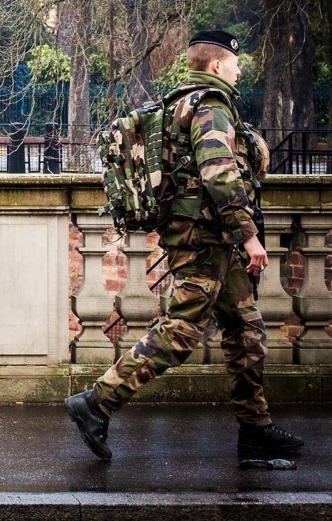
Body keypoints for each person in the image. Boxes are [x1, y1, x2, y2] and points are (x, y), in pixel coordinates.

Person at [65, 30, 304, 461]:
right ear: (216, 65)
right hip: (205, 241)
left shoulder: (181, 104)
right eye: (234, 62)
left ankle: (256, 430)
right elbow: (218, 175)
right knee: (181, 330)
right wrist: (249, 236)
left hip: (210, 239)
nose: (237, 69)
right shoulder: (210, 107)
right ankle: (98, 401)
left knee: (246, 329)